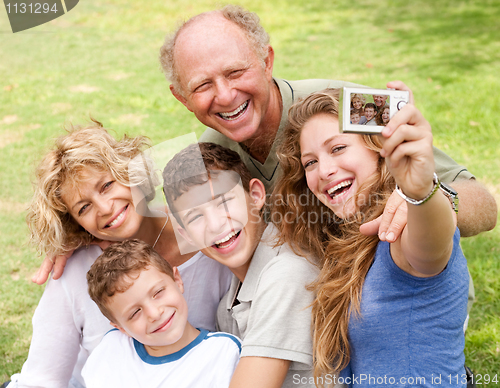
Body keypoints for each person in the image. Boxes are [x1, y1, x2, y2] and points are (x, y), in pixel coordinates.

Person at [158, 4, 497, 240]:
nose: (226, 95)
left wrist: (423, 201)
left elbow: (483, 204)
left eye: (236, 72)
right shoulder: (208, 157)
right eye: (202, 85)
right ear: (182, 98)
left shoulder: (348, 105)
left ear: (267, 62)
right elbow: (170, 234)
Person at [8, 121, 231, 388]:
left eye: (106, 186)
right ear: (76, 225)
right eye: (83, 208)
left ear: (131, 172)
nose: (104, 208)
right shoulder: (76, 268)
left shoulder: (206, 241)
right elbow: (42, 378)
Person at [272, 88, 469, 387]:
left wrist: (420, 192)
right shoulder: (344, 240)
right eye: (309, 162)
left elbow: (431, 247)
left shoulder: (400, 232)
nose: (323, 170)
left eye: (337, 148)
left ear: (378, 149)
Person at [162, 142, 322, 388]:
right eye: (195, 217)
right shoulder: (226, 307)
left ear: (256, 195)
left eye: (224, 202)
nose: (215, 225)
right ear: (186, 235)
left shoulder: (288, 273)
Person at [83, 239, 241, 388]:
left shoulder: (225, 352)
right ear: (121, 328)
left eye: (158, 292)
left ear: (177, 281)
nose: (154, 314)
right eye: (135, 312)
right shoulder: (112, 350)